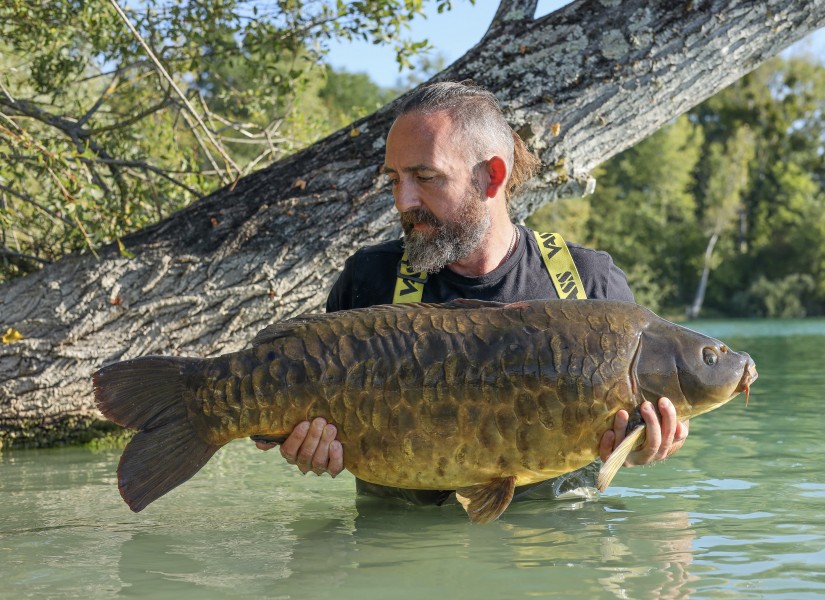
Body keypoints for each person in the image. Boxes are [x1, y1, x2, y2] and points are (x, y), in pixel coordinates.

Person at [255, 81, 689, 504]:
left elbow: (640, 423)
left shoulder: (589, 284)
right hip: (399, 552)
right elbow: (300, 414)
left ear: (491, 176)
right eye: (394, 179)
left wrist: (645, 444)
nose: (403, 201)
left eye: (425, 176)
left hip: (557, 551)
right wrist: (309, 447)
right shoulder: (369, 280)